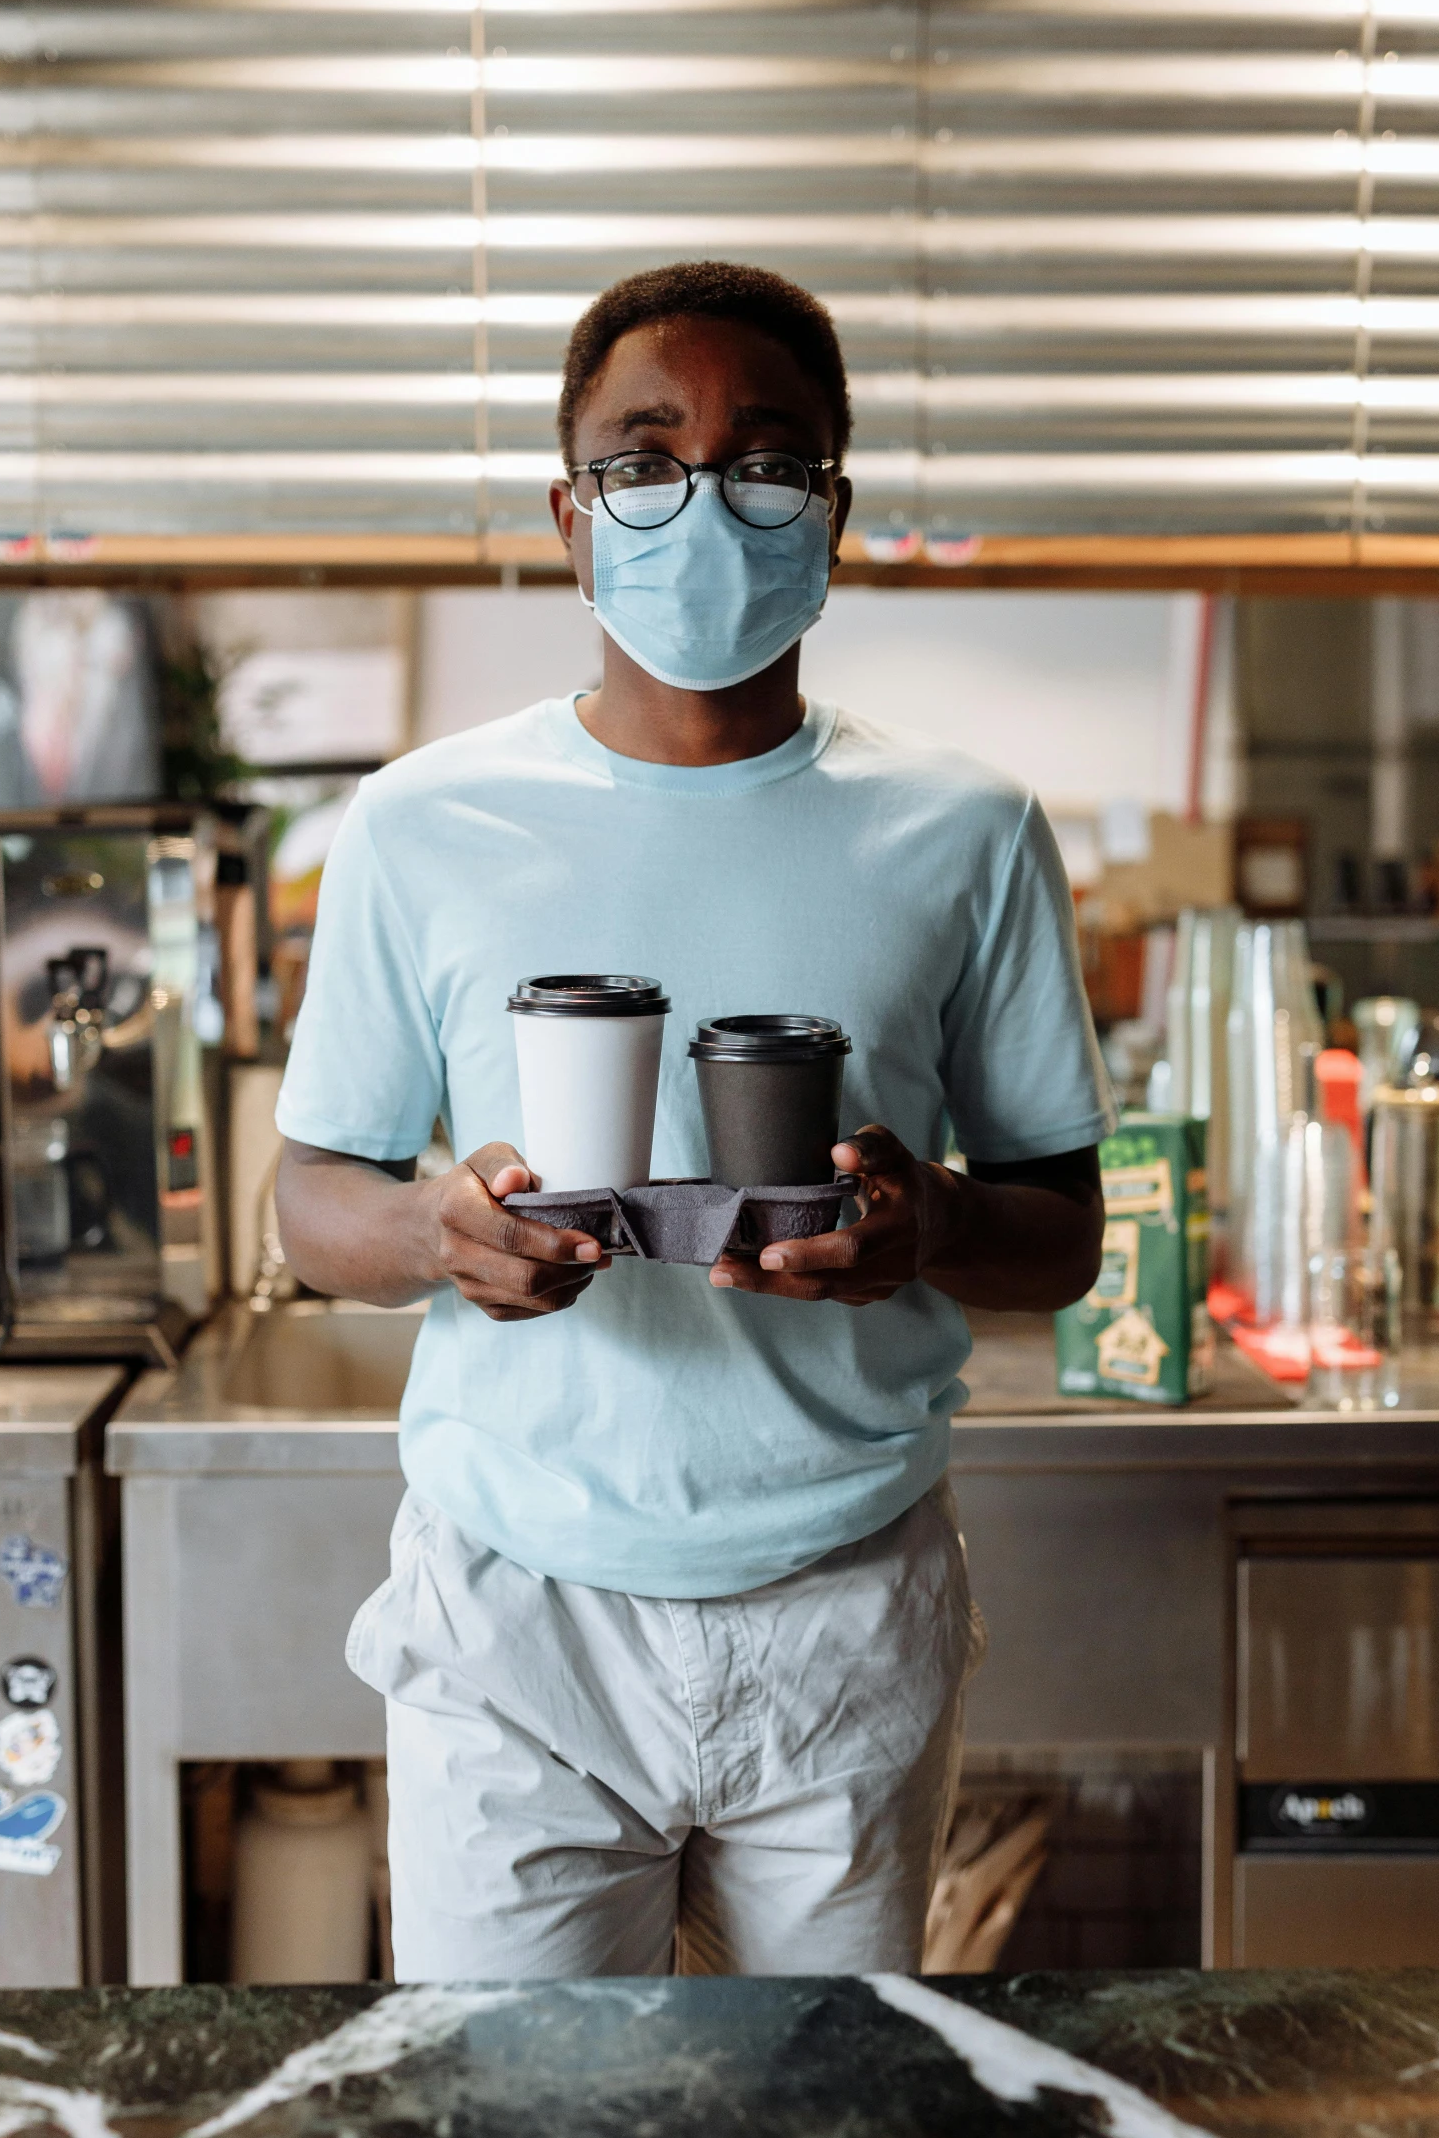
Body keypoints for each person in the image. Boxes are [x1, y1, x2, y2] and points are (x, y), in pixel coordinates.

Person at [274, 260, 1114, 1978]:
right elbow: (308, 1202)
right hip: (516, 1608)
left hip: (840, 1597)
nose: (704, 505)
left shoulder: (966, 830)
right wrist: (438, 1229)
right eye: (646, 457)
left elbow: (1064, 1231)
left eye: (765, 459)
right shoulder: (419, 824)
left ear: (833, 512)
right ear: (573, 516)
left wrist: (925, 1230)